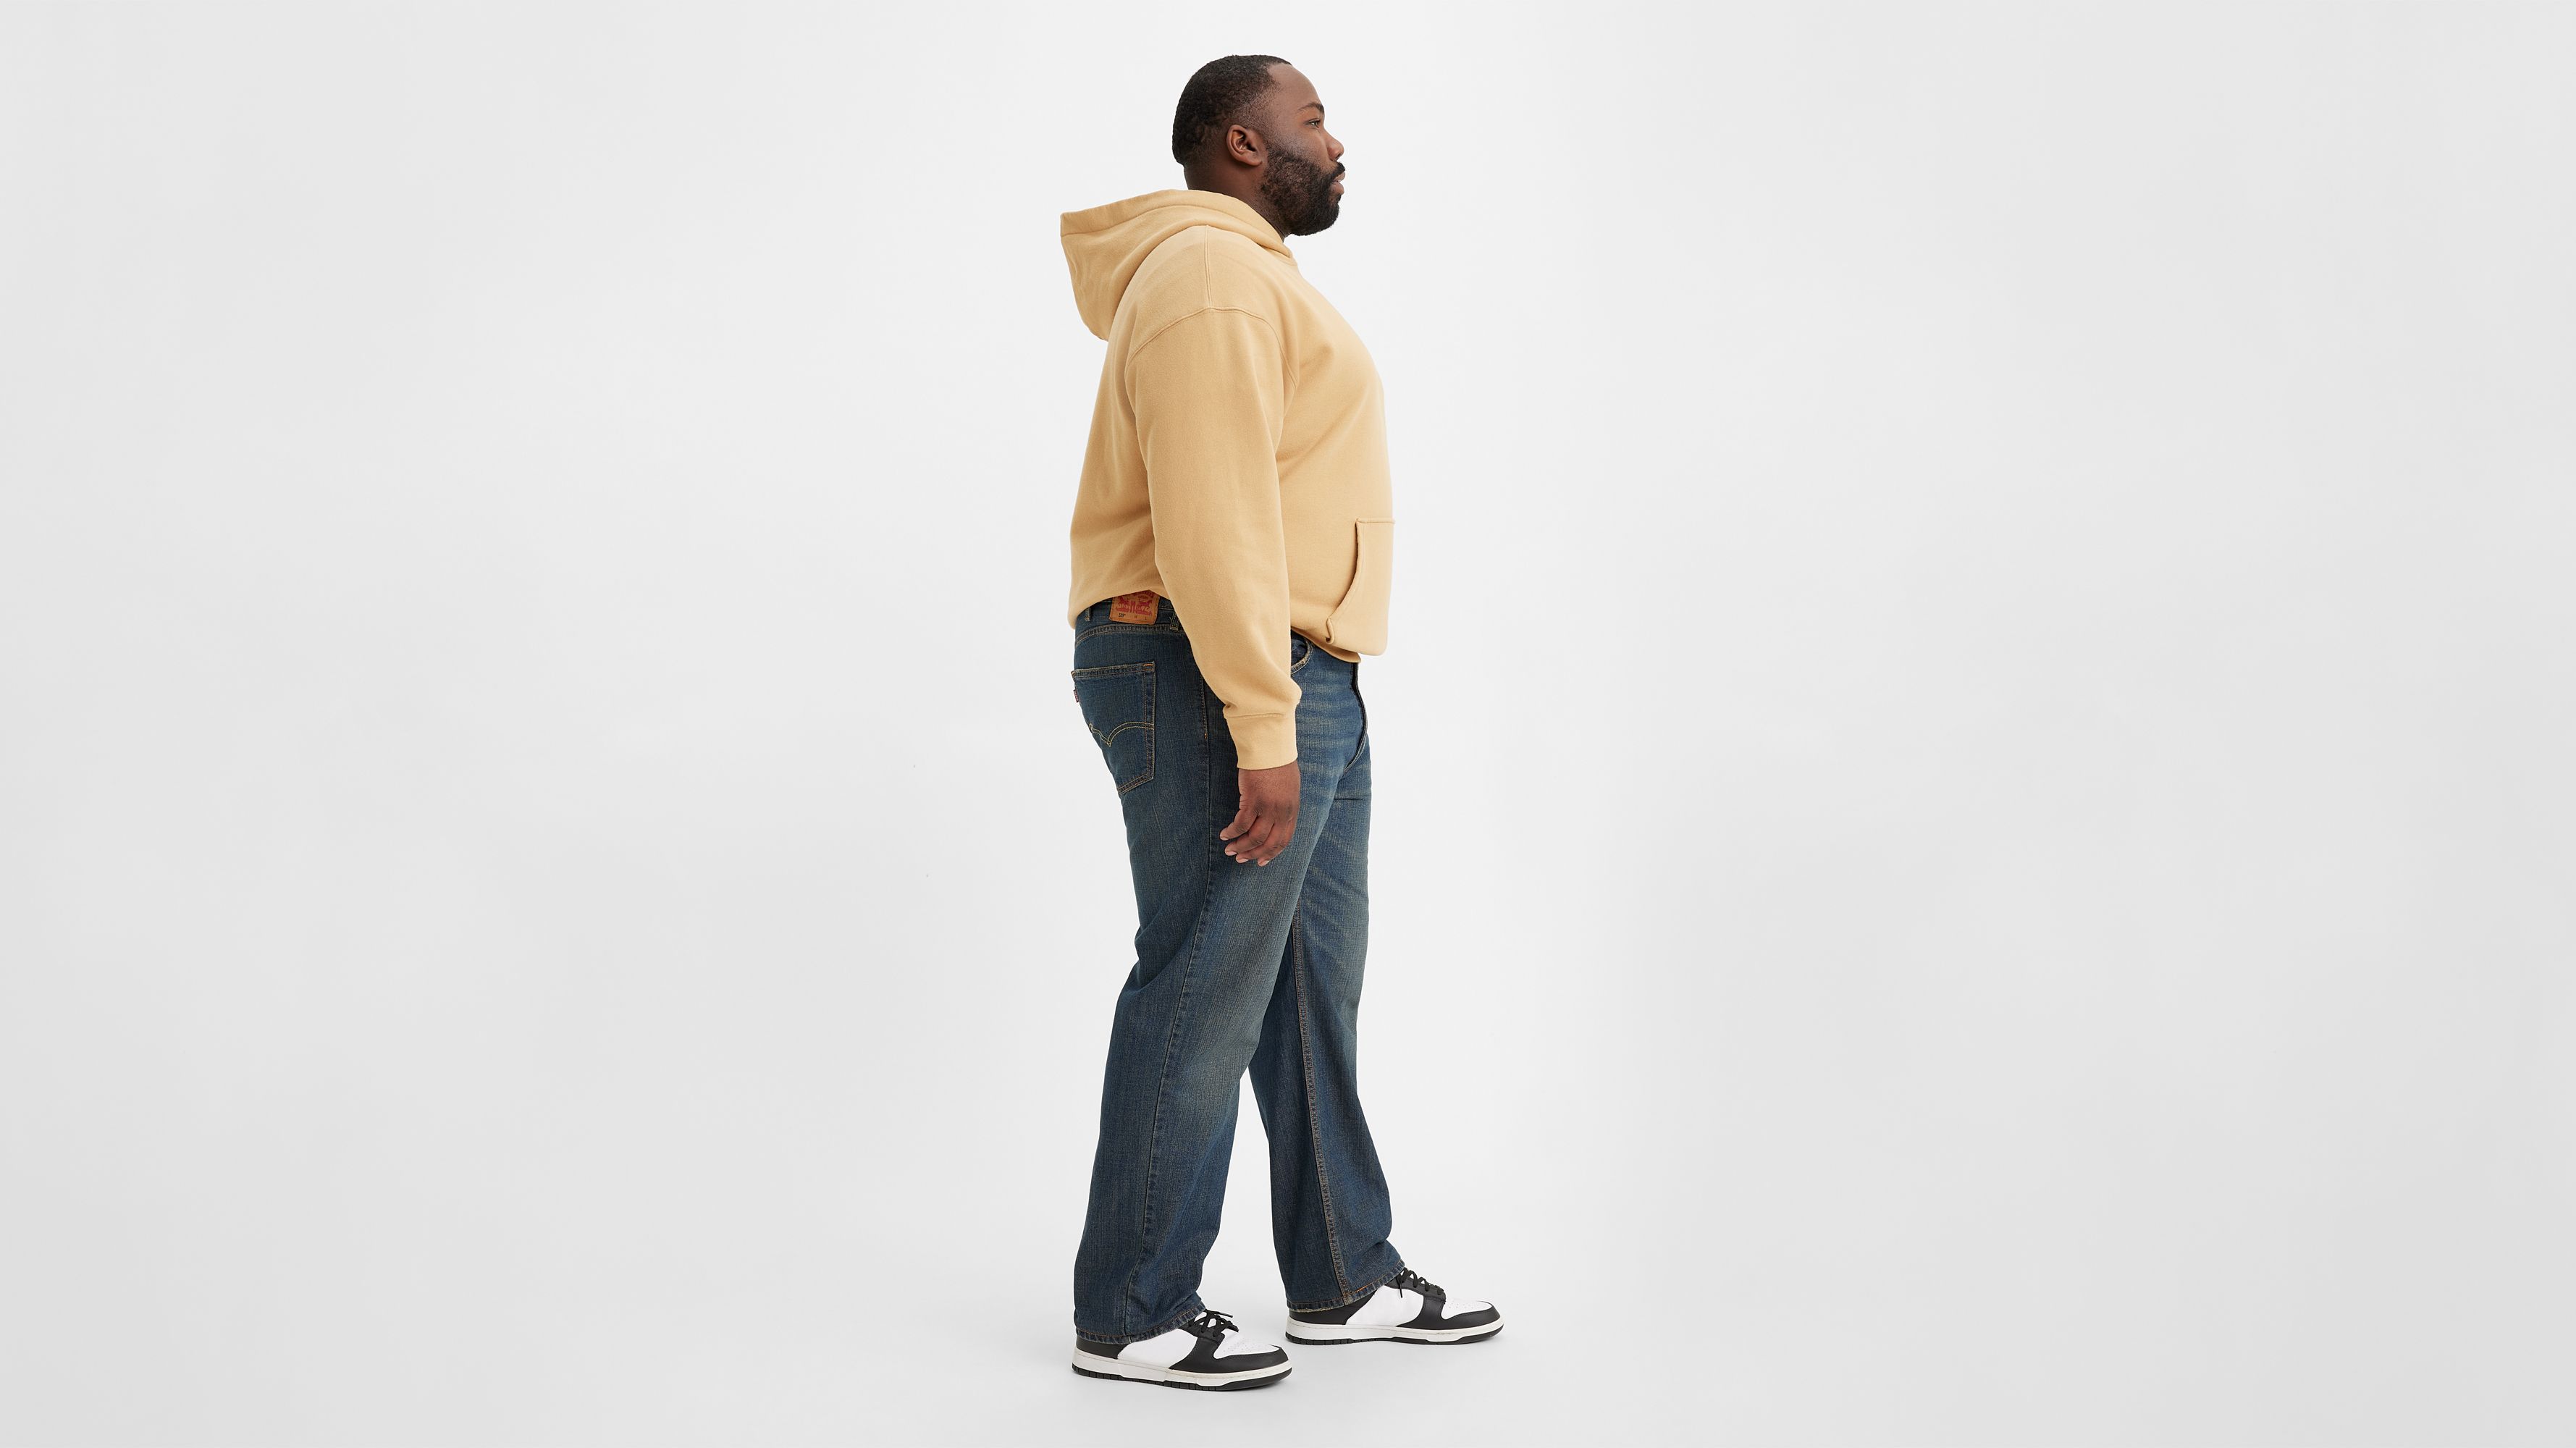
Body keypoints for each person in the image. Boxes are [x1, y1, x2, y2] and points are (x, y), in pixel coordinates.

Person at [1056, 55, 1502, 1392]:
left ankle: (1341, 1273)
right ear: (1241, 144)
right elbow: (1214, 512)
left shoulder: (1249, 275)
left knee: (1305, 986)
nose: (1335, 141)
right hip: (1216, 669)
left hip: (1292, 669)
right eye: (1311, 120)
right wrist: (1262, 717)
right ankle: (1133, 1308)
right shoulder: (1209, 274)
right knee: (1203, 979)